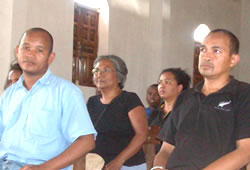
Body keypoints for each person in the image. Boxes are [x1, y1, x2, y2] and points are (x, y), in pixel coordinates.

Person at [0, 27, 97, 170]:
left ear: (50, 58)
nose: (30, 54)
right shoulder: (9, 94)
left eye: (39, 50)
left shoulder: (66, 92)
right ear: (17, 51)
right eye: (26, 47)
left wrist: (43, 168)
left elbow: (86, 141)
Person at [152, 29, 250, 170]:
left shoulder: (243, 94)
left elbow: (245, 151)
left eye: (216, 51)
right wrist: (158, 168)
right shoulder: (185, 97)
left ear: (233, 60)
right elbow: (167, 149)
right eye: (203, 49)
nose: (206, 56)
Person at [87, 55, 148, 170]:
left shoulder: (129, 99)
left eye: (106, 70)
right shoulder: (92, 102)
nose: (99, 74)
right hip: (97, 164)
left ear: (119, 77)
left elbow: (142, 134)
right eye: (96, 70)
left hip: (127, 164)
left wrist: (119, 161)